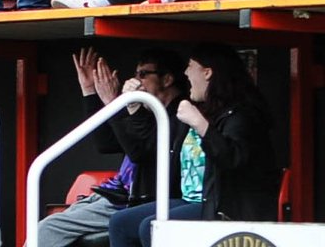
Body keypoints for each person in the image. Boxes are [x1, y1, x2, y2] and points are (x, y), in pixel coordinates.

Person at [107, 44, 280, 245]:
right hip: (191, 200)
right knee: (120, 222)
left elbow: (232, 158)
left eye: (190, 66)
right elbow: (144, 148)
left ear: (207, 73)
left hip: (223, 205)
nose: (186, 73)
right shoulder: (199, 109)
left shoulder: (240, 114)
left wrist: (201, 125)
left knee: (151, 227)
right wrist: (135, 109)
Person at [35, 47, 187, 247]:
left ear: (167, 79)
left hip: (138, 202)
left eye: (143, 74)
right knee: (44, 225)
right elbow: (106, 143)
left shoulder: (180, 113)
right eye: (135, 74)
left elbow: (141, 151)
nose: (137, 81)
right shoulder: (146, 110)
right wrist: (91, 93)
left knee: (48, 229)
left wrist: (118, 104)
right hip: (115, 193)